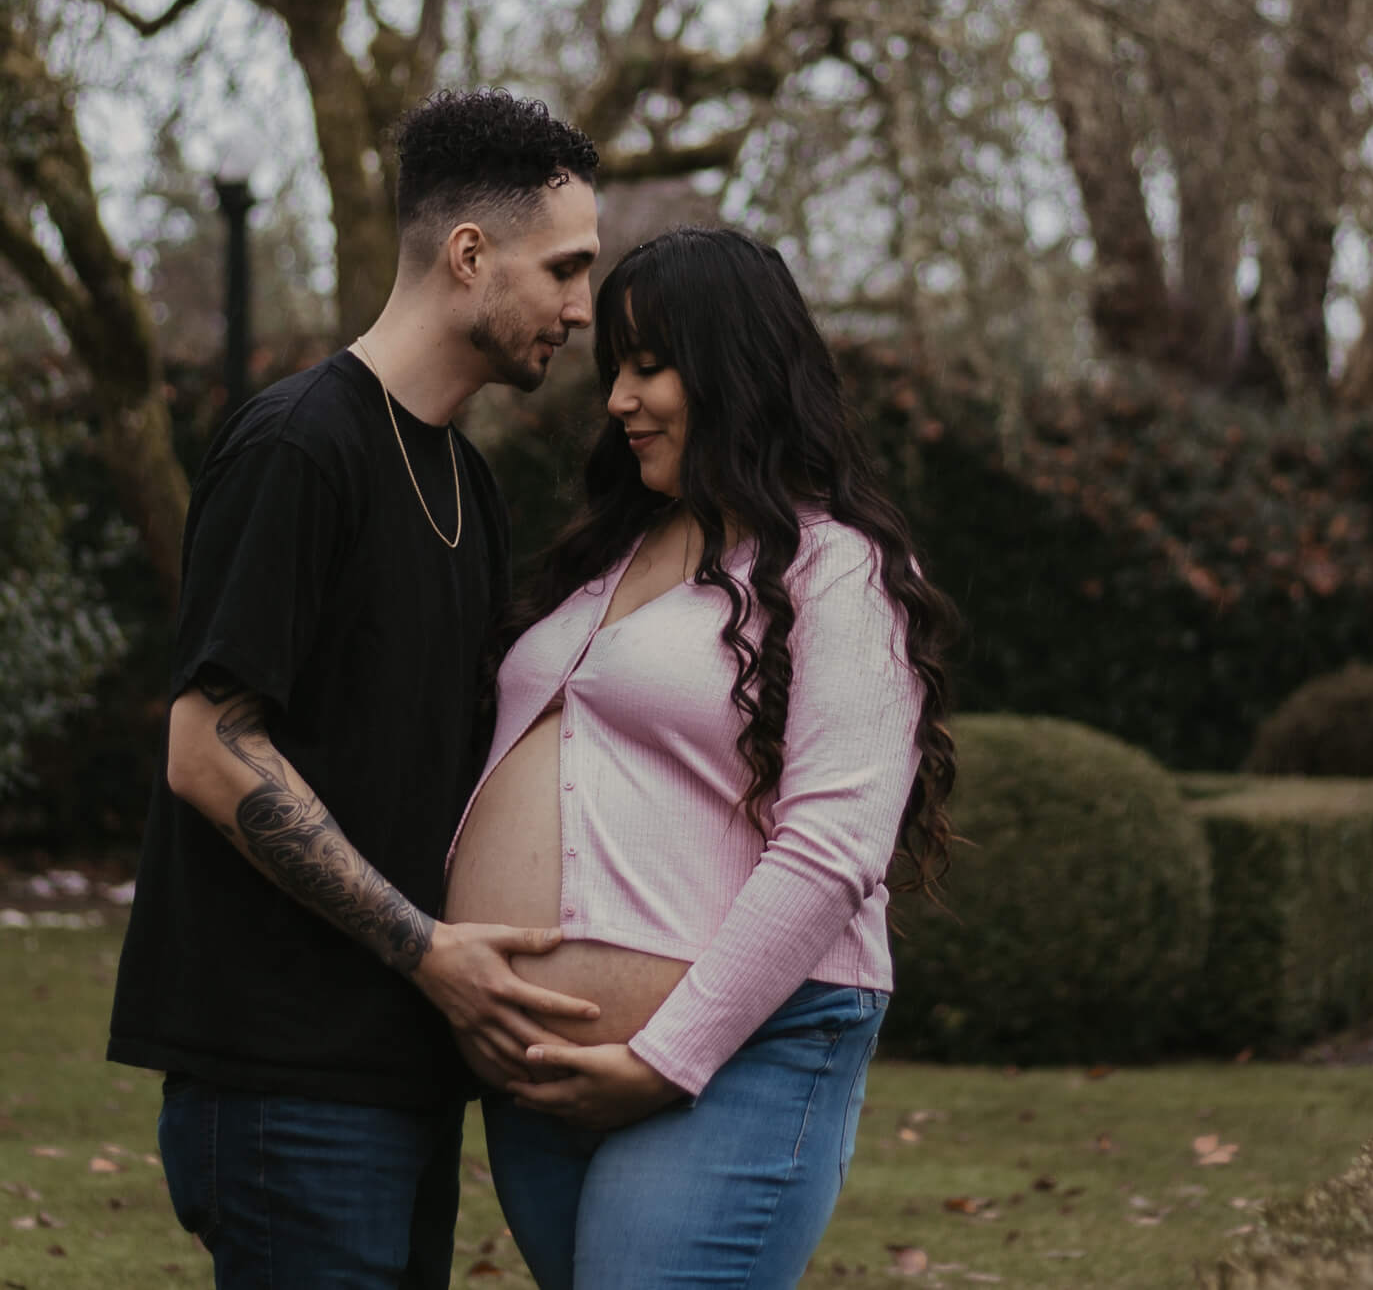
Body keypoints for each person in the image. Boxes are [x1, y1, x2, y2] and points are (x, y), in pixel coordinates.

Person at [107, 89, 605, 1289]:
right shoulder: (298, 447)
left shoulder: (464, 485)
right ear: (469, 255)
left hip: (396, 1078)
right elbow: (208, 746)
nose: (583, 310)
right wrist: (425, 948)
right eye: (567, 269)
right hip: (285, 1087)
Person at [441, 225, 958, 1288]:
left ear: (732, 368)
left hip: (740, 1053)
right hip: (544, 1068)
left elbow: (833, 847)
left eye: (648, 366)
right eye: (613, 372)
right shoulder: (613, 555)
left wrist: (660, 1058)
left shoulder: (841, 570)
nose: (619, 401)